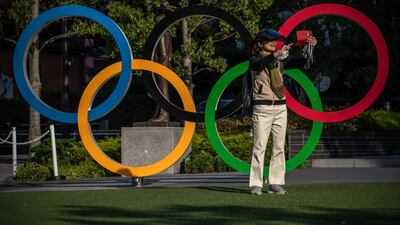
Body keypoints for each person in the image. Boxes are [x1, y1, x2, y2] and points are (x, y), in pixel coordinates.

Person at [248, 28, 317, 195]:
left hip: (280, 106)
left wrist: (310, 47)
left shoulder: (280, 59)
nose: (274, 43)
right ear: (260, 44)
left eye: (275, 41)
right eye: (270, 40)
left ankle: (275, 183)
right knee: (259, 146)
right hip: (262, 107)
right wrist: (276, 55)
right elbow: (258, 64)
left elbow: (300, 63)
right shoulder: (255, 59)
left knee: (279, 146)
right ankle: (256, 184)